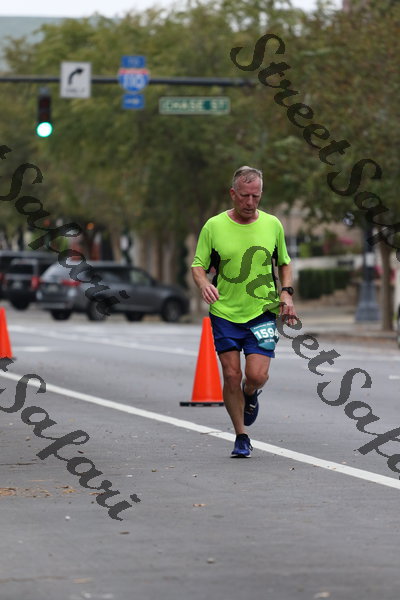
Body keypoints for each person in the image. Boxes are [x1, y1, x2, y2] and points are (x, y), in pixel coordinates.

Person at [191, 166, 297, 457]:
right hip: (225, 312)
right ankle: (241, 435)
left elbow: (284, 262)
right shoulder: (213, 226)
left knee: (256, 375)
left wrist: (286, 293)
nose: (250, 202)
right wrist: (203, 284)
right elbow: (198, 265)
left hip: (263, 311)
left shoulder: (273, 225)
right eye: (245, 196)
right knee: (231, 374)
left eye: (256, 196)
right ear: (233, 194)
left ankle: (250, 393)